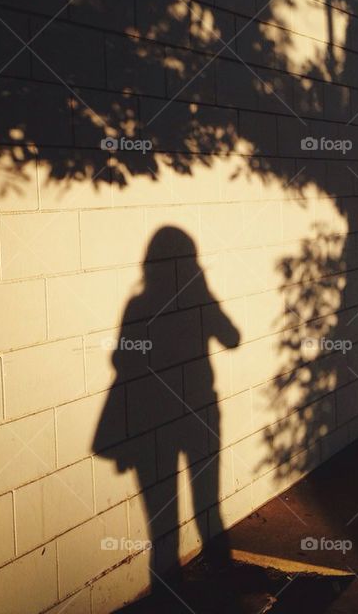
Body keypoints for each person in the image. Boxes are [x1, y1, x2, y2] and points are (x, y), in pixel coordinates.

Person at [94, 225, 241, 593]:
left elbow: (121, 359)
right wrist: (204, 293)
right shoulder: (198, 296)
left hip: (155, 418)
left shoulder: (138, 304)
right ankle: (226, 592)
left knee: (163, 524)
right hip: (200, 413)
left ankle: (169, 597)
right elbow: (232, 337)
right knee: (208, 506)